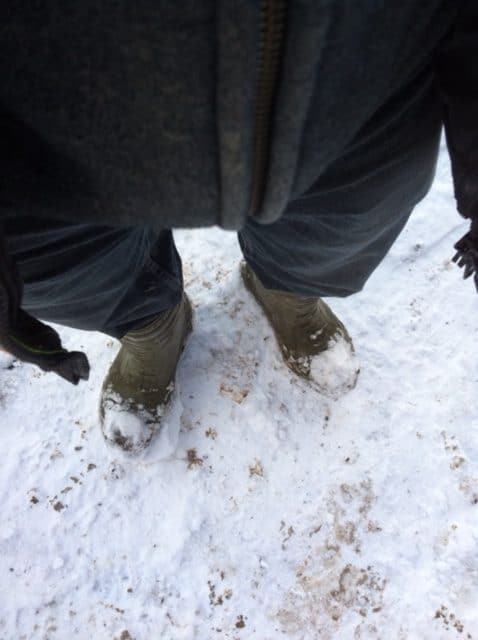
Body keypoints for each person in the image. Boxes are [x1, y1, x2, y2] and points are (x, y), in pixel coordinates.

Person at [0, 1, 477, 454]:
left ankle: (289, 292)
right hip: (32, 138)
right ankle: (152, 327)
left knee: (339, 226)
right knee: (71, 270)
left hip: (364, 75)